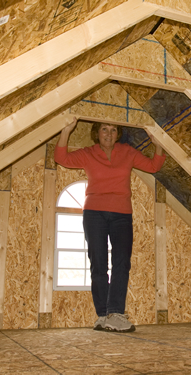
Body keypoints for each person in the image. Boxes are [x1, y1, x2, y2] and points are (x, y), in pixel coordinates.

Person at [54, 118, 165, 332]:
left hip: (122, 214)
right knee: (99, 264)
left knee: (121, 263)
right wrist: (66, 131)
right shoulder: (88, 153)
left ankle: (116, 313)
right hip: (94, 213)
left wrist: (157, 142)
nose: (109, 133)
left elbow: (154, 165)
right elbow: (61, 158)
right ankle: (102, 315)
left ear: (118, 134)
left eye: (114, 130)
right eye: (105, 129)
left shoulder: (128, 152)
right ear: (97, 132)